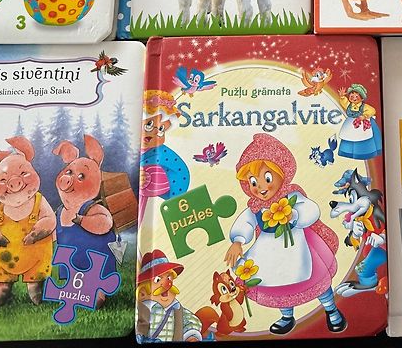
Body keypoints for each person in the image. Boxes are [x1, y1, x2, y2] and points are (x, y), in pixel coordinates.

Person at [224, 133, 346, 334]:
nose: (261, 187)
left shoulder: (291, 196)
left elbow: (311, 210)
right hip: (268, 253)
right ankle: (287, 316)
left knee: (317, 279)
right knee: (276, 284)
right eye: (253, 182)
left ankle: (331, 309)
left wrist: (294, 215)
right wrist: (237, 241)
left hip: (300, 249)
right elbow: (245, 222)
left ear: (283, 172)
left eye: (267, 178)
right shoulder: (255, 207)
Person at [135, 250, 201, 342]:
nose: (167, 284)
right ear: (143, 293)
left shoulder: (177, 309)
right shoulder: (141, 309)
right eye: (158, 280)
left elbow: (191, 321)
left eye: (169, 278)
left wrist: (191, 336)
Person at [335, 84, 382, 160]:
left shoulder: (364, 106)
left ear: (362, 98)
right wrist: (342, 97)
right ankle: (347, 152)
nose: (354, 98)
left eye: (356, 96)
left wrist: (365, 115)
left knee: (362, 137)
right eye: (352, 96)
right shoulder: (349, 105)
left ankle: (362, 153)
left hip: (361, 123)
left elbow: (372, 110)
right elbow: (344, 102)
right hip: (350, 124)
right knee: (349, 137)